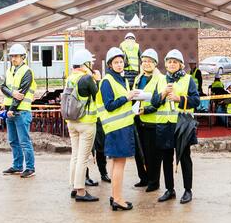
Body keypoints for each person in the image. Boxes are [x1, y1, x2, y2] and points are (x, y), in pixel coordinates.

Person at [151, 49, 199, 204]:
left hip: (182, 125)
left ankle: (187, 190)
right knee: (166, 159)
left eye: (175, 62)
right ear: (166, 64)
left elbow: (196, 100)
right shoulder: (159, 80)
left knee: (185, 158)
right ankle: (170, 189)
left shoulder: (188, 79)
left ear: (180, 65)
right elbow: (154, 102)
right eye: (169, 62)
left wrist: (180, 99)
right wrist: (163, 94)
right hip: (164, 126)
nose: (172, 64)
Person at [100, 47, 140, 211]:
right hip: (117, 129)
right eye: (115, 62)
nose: (119, 64)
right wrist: (127, 97)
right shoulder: (107, 81)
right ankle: (117, 199)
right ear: (110, 64)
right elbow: (109, 106)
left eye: (121, 61)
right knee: (119, 164)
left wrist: (132, 100)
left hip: (123, 127)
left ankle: (114, 195)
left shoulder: (121, 80)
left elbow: (121, 104)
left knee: (117, 163)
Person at [65, 48, 101, 202]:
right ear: (85, 63)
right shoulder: (86, 79)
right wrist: (97, 79)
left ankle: (74, 186)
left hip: (72, 122)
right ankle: (81, 191)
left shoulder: (70, 78)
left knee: (75, 155)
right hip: (86, 123)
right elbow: (97, 96)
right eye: (90, 62)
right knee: (83, 158)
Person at [0, 43, 37, 179]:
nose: (13, 59)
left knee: (24, 141)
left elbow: (21, 94)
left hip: (21, 111)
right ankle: (17, 166)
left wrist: (12, 109)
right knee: (13, 141)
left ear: (23, 57)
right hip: (11, 110)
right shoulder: (10, 71)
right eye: (11, 56)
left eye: (16, 56)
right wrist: (11, 94)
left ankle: (30, 167)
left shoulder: (27, 71)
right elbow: (3, 87)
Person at [132, 48, 161, 192]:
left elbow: (159, 101)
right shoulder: (138, 78)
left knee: (152, 153)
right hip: (138, 119)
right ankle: (143, 178)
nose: (146, 64)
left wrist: (146, 110)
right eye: (144, 61)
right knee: (140, 151)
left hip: (152, 121)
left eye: (149, 61)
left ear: (155, 63)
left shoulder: (160, 78)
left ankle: (153, 182)